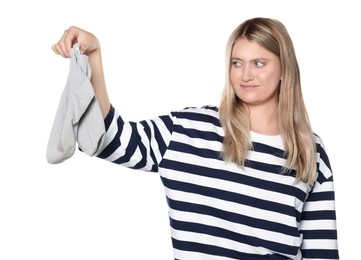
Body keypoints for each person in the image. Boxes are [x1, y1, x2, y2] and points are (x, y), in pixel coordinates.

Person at [51, 17, 339, 259]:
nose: (246, 74)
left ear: (284, 69)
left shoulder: (309, 151)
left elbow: (322, 253)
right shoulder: (189, 129)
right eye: (237, 63)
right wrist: (94, 56)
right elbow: (113, 141)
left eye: (259, 63)